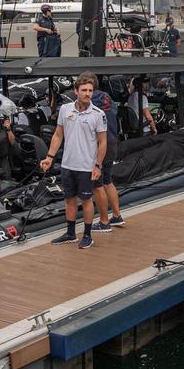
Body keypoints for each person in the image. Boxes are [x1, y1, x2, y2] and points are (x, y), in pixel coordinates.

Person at [40, 73, 108, 249]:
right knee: (69, 199)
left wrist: (98, 165)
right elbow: (58, 135)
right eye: (84, 90)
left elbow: (103, 142)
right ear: (75, 91)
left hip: (87, 166)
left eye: (90, 90)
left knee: (86, 200)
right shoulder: (65, 110)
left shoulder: (98, 114)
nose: (88, 94)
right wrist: (49, 157)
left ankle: (87, 235)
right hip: (68, 164)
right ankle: (70, 233)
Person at [89, 76, 125, 232]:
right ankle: (116, 216)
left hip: (99, 145)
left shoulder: (89, 102)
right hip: (112, 140)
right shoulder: (107, 98)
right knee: (107, 180)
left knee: (97, 184)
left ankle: (104, 222)